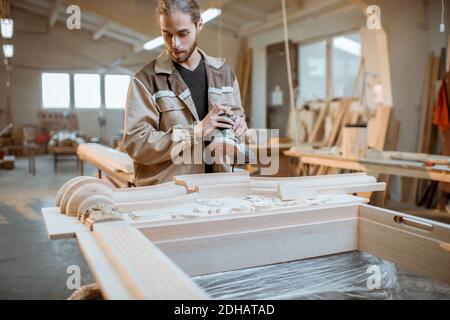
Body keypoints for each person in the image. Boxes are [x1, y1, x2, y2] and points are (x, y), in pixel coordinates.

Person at [123, 0, 247, 186]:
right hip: (168, 191)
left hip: (218, 188)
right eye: (167, 34)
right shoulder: (146, 80)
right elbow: (137, 144)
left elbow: (239, 120)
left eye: (183, 33)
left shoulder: (224, 74)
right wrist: (195, 131)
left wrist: (239, 126)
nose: (175, 44)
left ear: (199, 25)